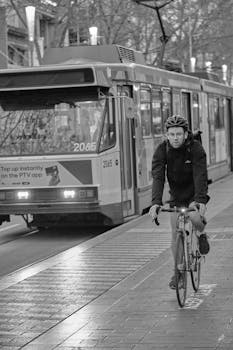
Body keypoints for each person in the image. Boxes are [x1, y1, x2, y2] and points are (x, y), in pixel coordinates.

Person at [149, 114, 210, 289]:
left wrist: (200, 200)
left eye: (178, 134)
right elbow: (158, 177)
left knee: (195, 218)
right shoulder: (162, 150)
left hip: (194, 194)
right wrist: (156, 202)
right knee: (175, 234)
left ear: (185, 134)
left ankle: (201, 234)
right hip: (176, 196)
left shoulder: (196, 148)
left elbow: (200, 175)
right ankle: (178, 274)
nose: (175, 138)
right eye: (172, 134)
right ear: (167, 135)